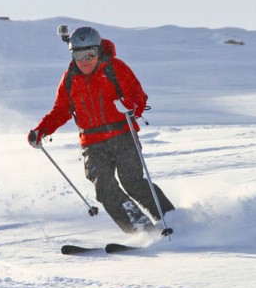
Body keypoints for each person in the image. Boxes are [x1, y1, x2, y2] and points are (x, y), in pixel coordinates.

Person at [28, 26, 175, 234]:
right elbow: (61, 110)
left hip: (123, 136)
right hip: (92, 143)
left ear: (98, 52)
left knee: (132, 182)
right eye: (78, 55)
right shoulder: (70, 78)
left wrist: (129, 105)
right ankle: (140, 229)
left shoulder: (116, 69)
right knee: (104, 189)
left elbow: (139, 97)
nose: (84, 60)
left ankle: (172, 220)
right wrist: (41, 130)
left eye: (89, 54)